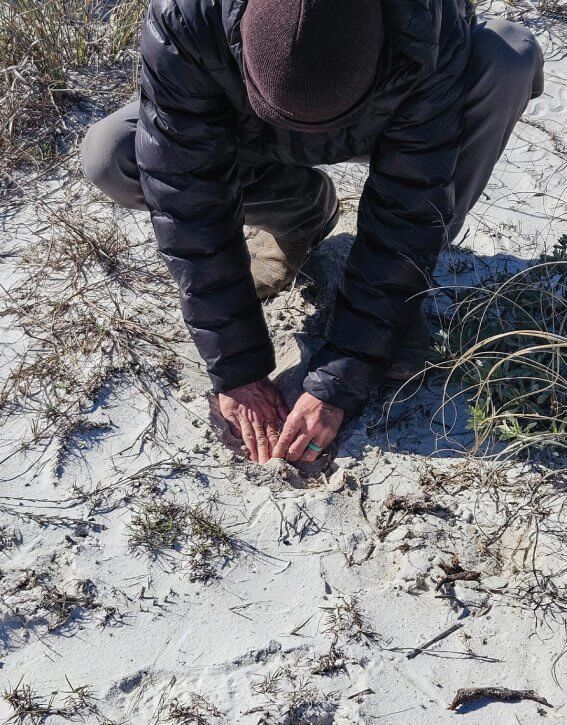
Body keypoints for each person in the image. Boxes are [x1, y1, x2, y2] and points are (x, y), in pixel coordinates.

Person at [81, 0, 544, 464]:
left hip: (384, 115)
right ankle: (298, 212)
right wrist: (237, 368)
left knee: (508, 56)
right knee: (112, 153)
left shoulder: (425, 22)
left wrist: (344, 375)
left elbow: (411, 201)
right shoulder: (187, 16)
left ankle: (411, 287)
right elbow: (186, 197)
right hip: (247, 125)